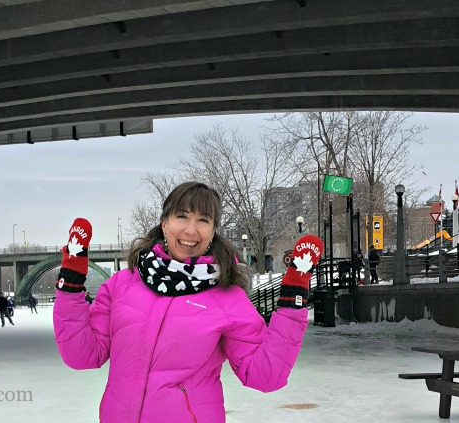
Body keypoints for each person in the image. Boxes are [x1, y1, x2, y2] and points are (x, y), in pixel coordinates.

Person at [53, 181, 322, 423]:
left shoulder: (227, 297)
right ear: (164, 224)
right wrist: (71, 280)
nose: (191, 230)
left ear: (213, 231)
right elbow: (82, 355)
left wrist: (292, 302)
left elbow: (265, 375)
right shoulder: (122, 285)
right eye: (181, 216)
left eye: (203, 220)